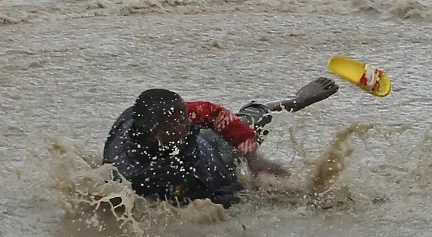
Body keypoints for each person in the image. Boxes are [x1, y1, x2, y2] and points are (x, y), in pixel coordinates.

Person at [103, 78, 339, 207]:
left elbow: (212, 113)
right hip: (212, 165)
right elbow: (225, 195)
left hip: (215, 145)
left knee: (252, 119)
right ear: (156, 131)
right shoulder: (131, 167)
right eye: (179, 122)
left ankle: (297, 99)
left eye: (186, 116)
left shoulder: (169, 117)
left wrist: (253, 157)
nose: (188, 122)